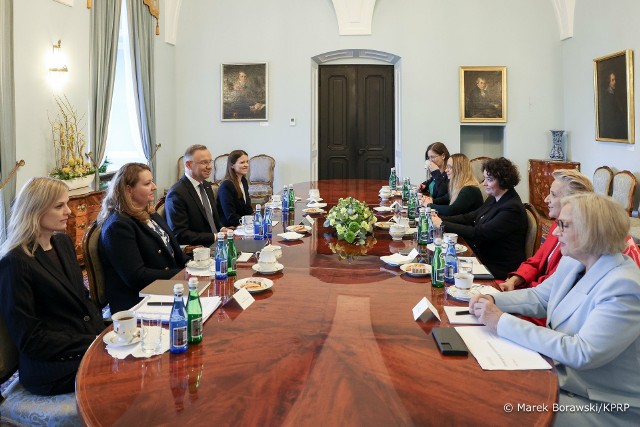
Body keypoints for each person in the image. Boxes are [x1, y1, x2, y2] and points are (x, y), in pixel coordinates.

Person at [470, 193, 640, 426]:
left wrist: (501, 322)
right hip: (559, 377)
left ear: (591, 230)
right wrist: (492, 299)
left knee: (503, 408)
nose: (555, 231)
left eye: (563, 225)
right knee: (486, 387)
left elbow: (582, 352)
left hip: (601, 402)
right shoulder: (574, 262)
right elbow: (540, 297)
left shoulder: (624, 285)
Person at [0, 177, 105, 395]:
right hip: (51, 365)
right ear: (34, 210)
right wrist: (94, 342)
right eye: (59, 206)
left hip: (82, 341)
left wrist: (107, 336)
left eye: (66, 203)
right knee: (125, 373)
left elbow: (82, 300)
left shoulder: (62, 242)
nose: (69, 211)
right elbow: (31, 339)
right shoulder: (15, 262)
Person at [501, 170, 640, 325]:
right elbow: (539, 274)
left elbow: (557, 301)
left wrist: (505, 318)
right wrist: (513, 281)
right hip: (536, 299)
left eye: (553, 194)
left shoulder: (581, 244)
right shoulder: (560, 227)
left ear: (573, 200)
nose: (546, 199)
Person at [98, 163, 185, 313]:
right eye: (147, 183)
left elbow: (172, 251)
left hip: (166, 287)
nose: (154, 186)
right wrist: (183, 274)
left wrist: (197, 265)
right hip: (140, 302)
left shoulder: (148, 212)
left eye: (152, 181)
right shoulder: (118, 226)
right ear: (128, 190)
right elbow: (137, 277)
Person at [433, 157, 526, 279]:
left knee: (445, 270)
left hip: (497, 267)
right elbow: (470, 217)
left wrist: (442, 224)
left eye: (489, 179)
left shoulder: (512, 208)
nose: (484, 183)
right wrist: (441, 220)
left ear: (504, 181)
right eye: (485, 178)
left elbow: (480, 233)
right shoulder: (495, 197)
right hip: (482, 257)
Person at [165, 144, 225, 247]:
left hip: (219, 244)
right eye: (204, 162)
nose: (210, 167)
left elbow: (211, 219)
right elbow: (180, 235)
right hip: (199, 252)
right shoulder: (177, 193)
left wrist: (222, 229)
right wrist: (215, 236)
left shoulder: (206, 186)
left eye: (210, 161)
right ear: (188, 165)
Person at [217, 150, 254, 227]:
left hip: (243, 225)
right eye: (242, 162)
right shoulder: (226, 185)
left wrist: (254, 219)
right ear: (232, 165)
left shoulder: (243, 181)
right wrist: (248, 224)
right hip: (231, 227)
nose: (246, 165)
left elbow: (248, 208)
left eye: (247, 162)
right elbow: (230, 216)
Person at [600, 71, 627, 139]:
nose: (615, 82)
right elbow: (610, 116)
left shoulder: (615, 94)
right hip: (612, 130)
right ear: (608, 82)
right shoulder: (607, 96)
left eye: (615, 80)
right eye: (612, 80)